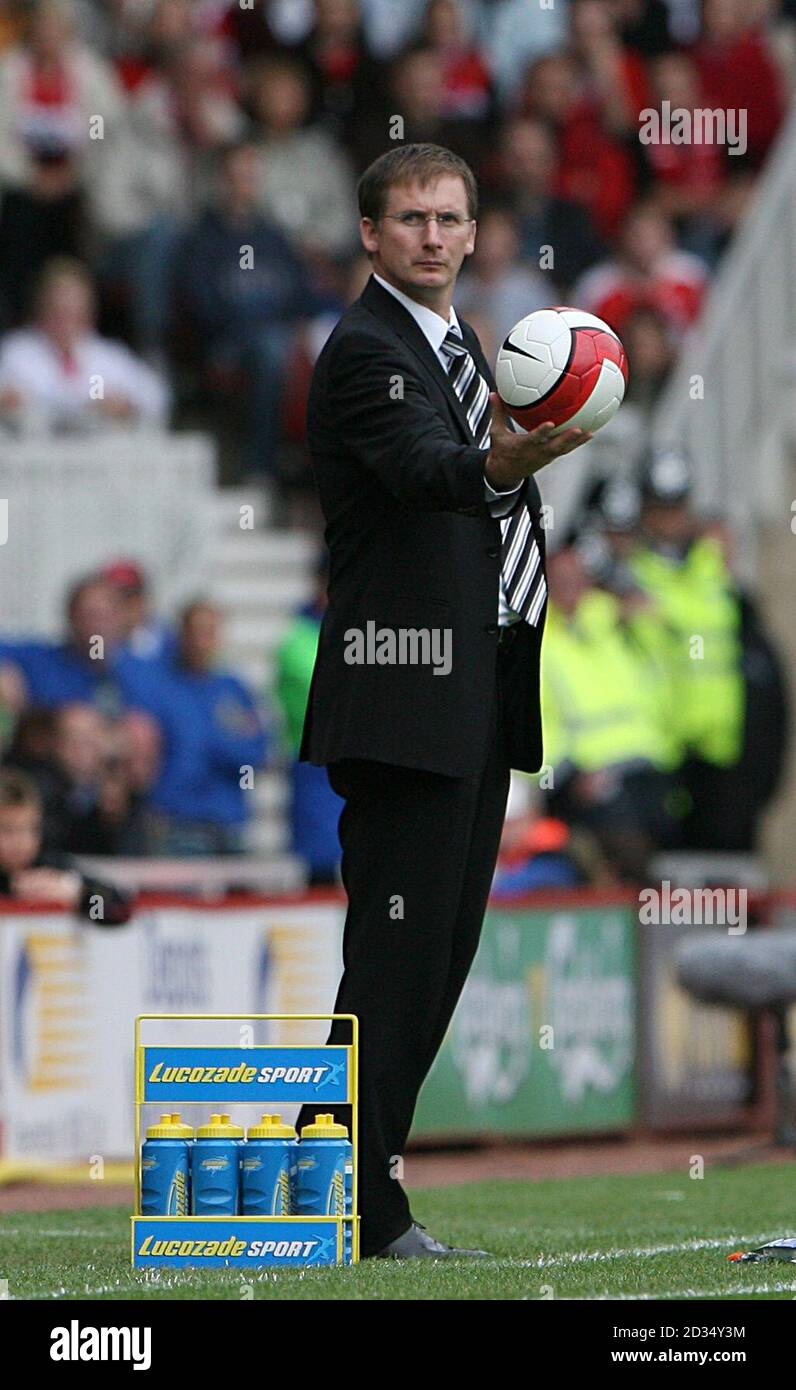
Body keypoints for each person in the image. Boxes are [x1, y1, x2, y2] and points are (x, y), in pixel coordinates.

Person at [295, 142, 591, 1259]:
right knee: (395, 962)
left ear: (473, 233)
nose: (432, 235)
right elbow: (430, 468)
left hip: (466, 696)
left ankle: (345, 1196)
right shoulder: (367, 352)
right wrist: (508, 462)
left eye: (451, 217)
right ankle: (355, 1208)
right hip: (404, 697)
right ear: (370, 233)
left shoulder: (461, 341)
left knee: (433, 960)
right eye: (411, 217)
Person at [0, 767, 133, 923]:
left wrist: (76, 893)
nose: (21, 841)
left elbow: (117, 911)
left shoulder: (48, 867)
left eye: (31, 829)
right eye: (8, 830)